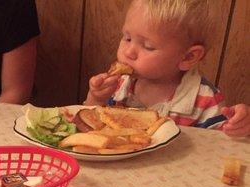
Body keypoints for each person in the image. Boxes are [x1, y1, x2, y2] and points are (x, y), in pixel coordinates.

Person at [84, 0, 249, 138]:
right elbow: (91, 124)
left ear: (188, 57)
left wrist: (239, 125)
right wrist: (96, 98)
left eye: (148, 46)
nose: (128, 52)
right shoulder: (119, 85)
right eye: (127, 38)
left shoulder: (205, 100)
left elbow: (221, 144)